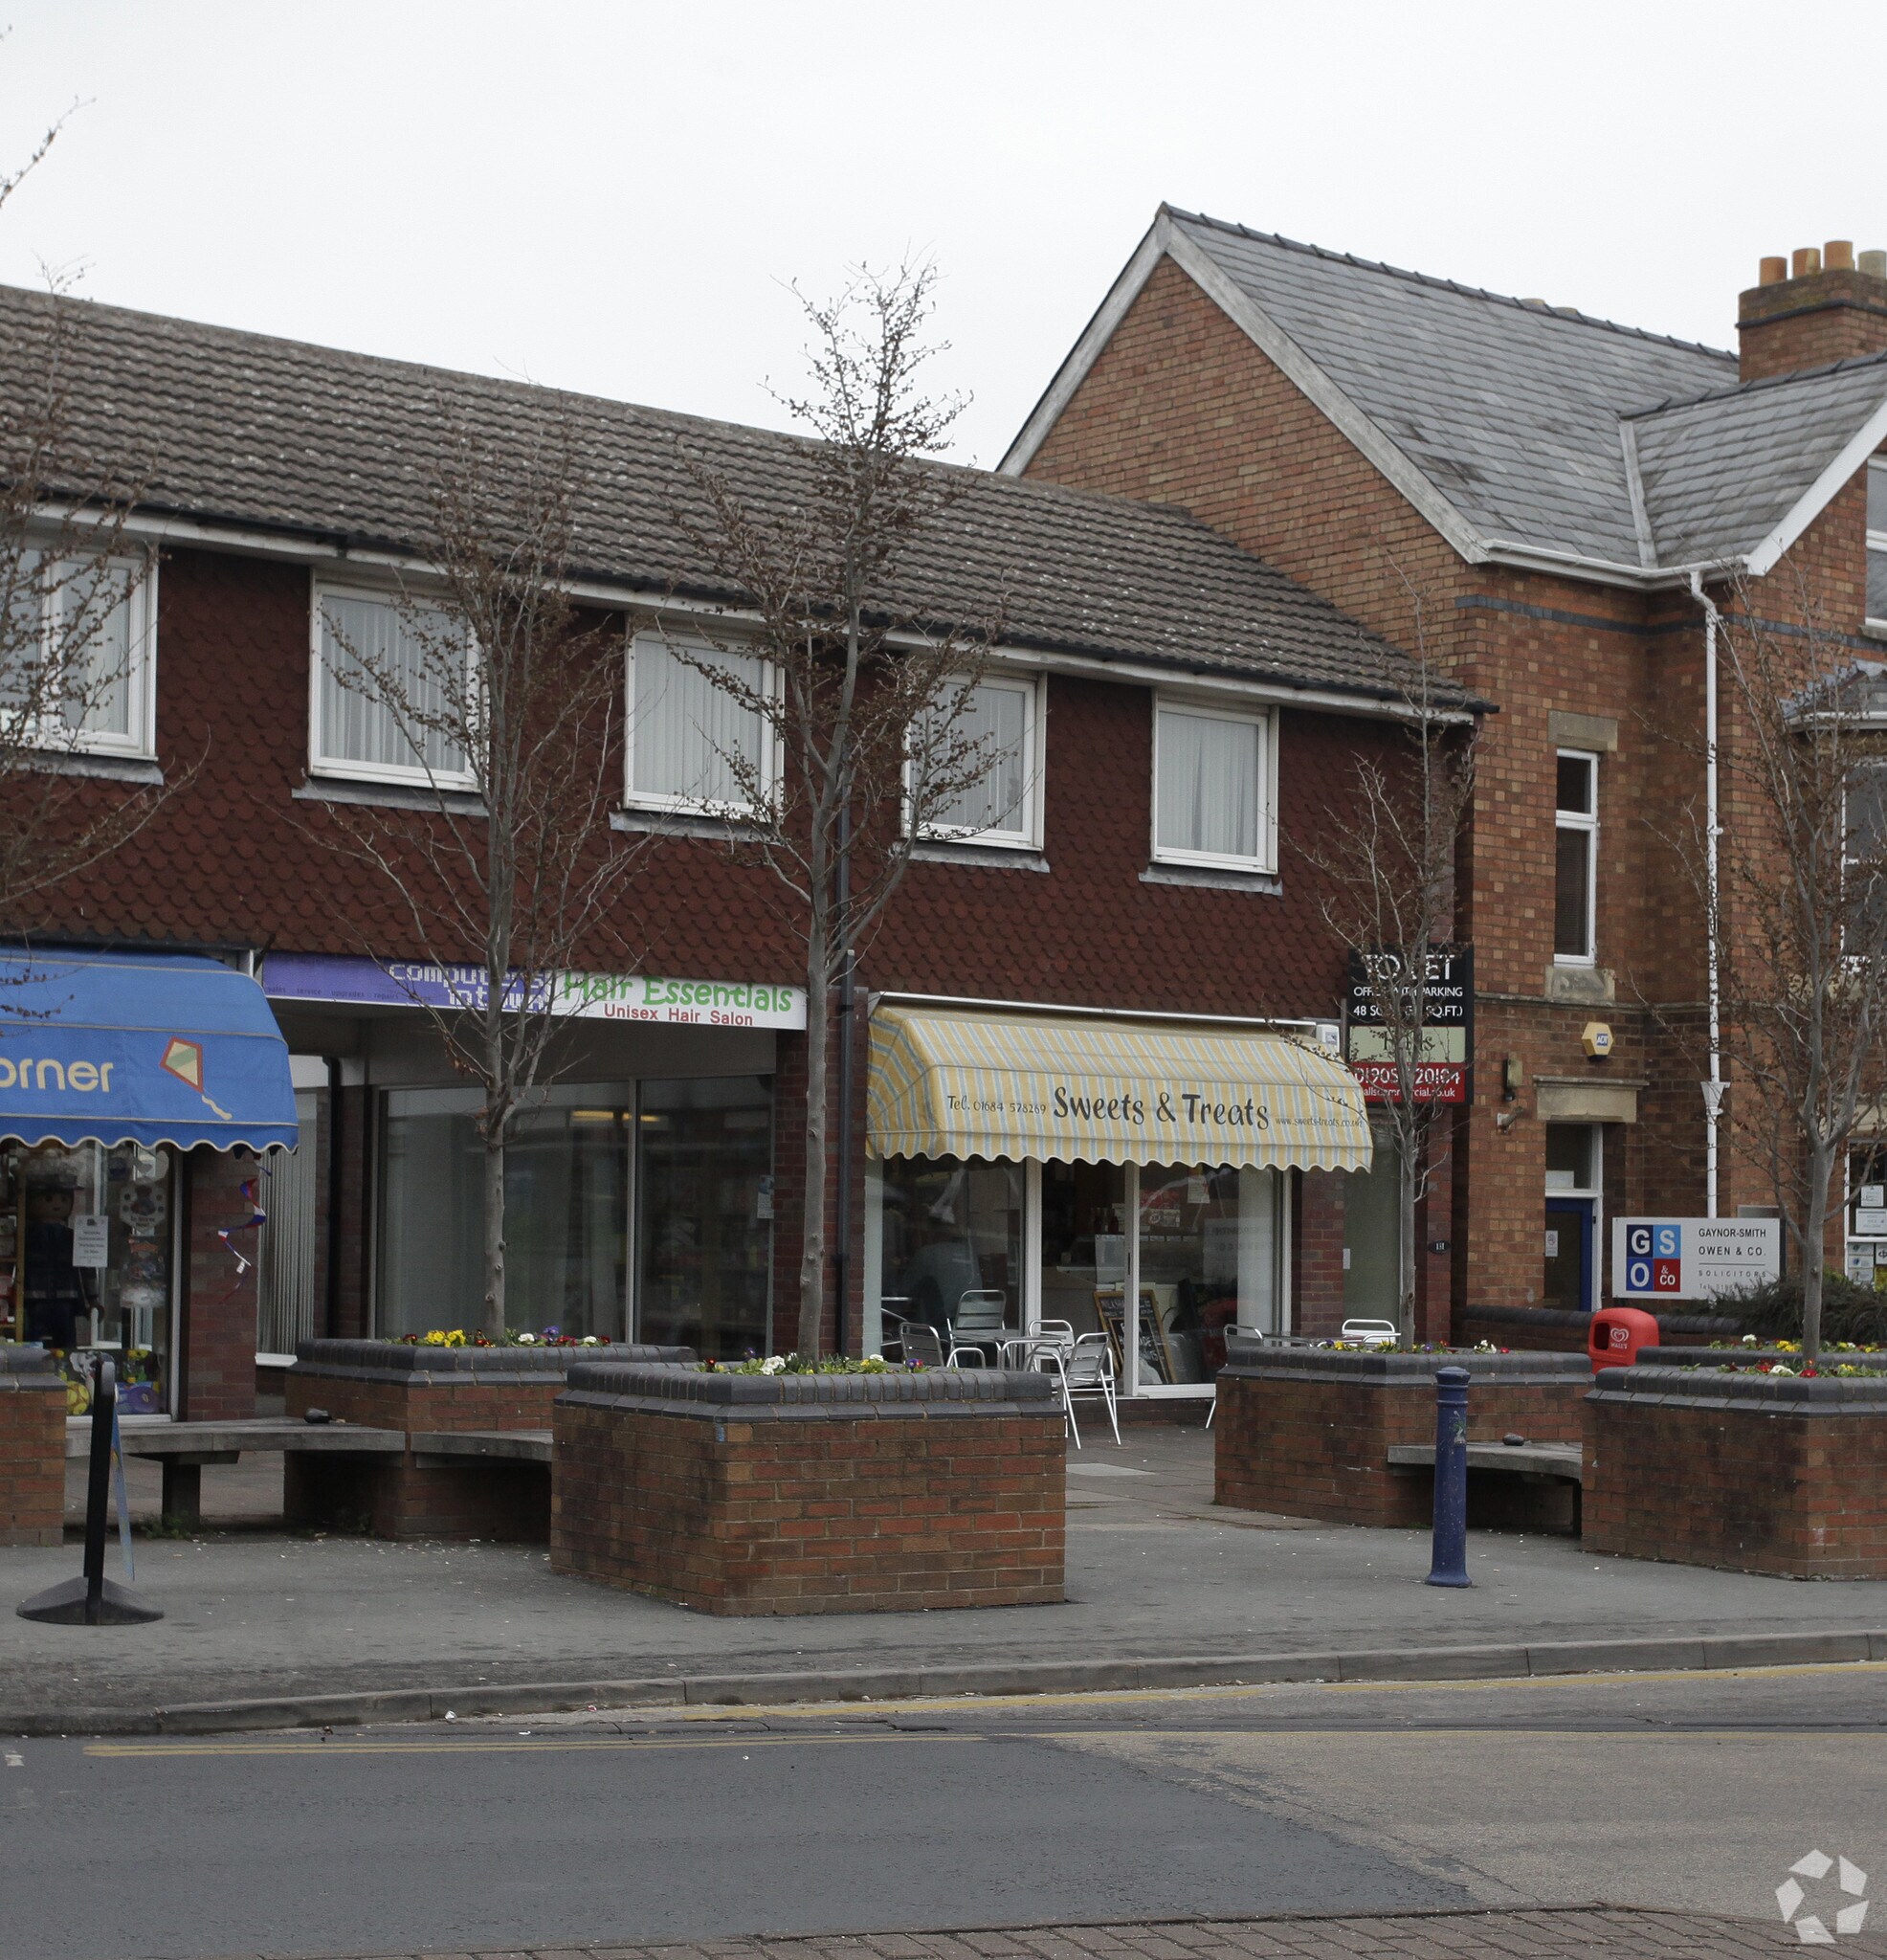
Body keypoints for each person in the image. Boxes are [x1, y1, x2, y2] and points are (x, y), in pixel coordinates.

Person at [23, 1183, 90, 1351]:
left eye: (64, 1199)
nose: (57, 1204)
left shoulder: (71, 1236)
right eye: (48, 1199)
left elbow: (87, 1266)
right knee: (33, 1339)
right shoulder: (27, 1236)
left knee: (65, 1339)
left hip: (64, 1296)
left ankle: (67, 1363)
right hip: (34, 1296)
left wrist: (92, 1298)